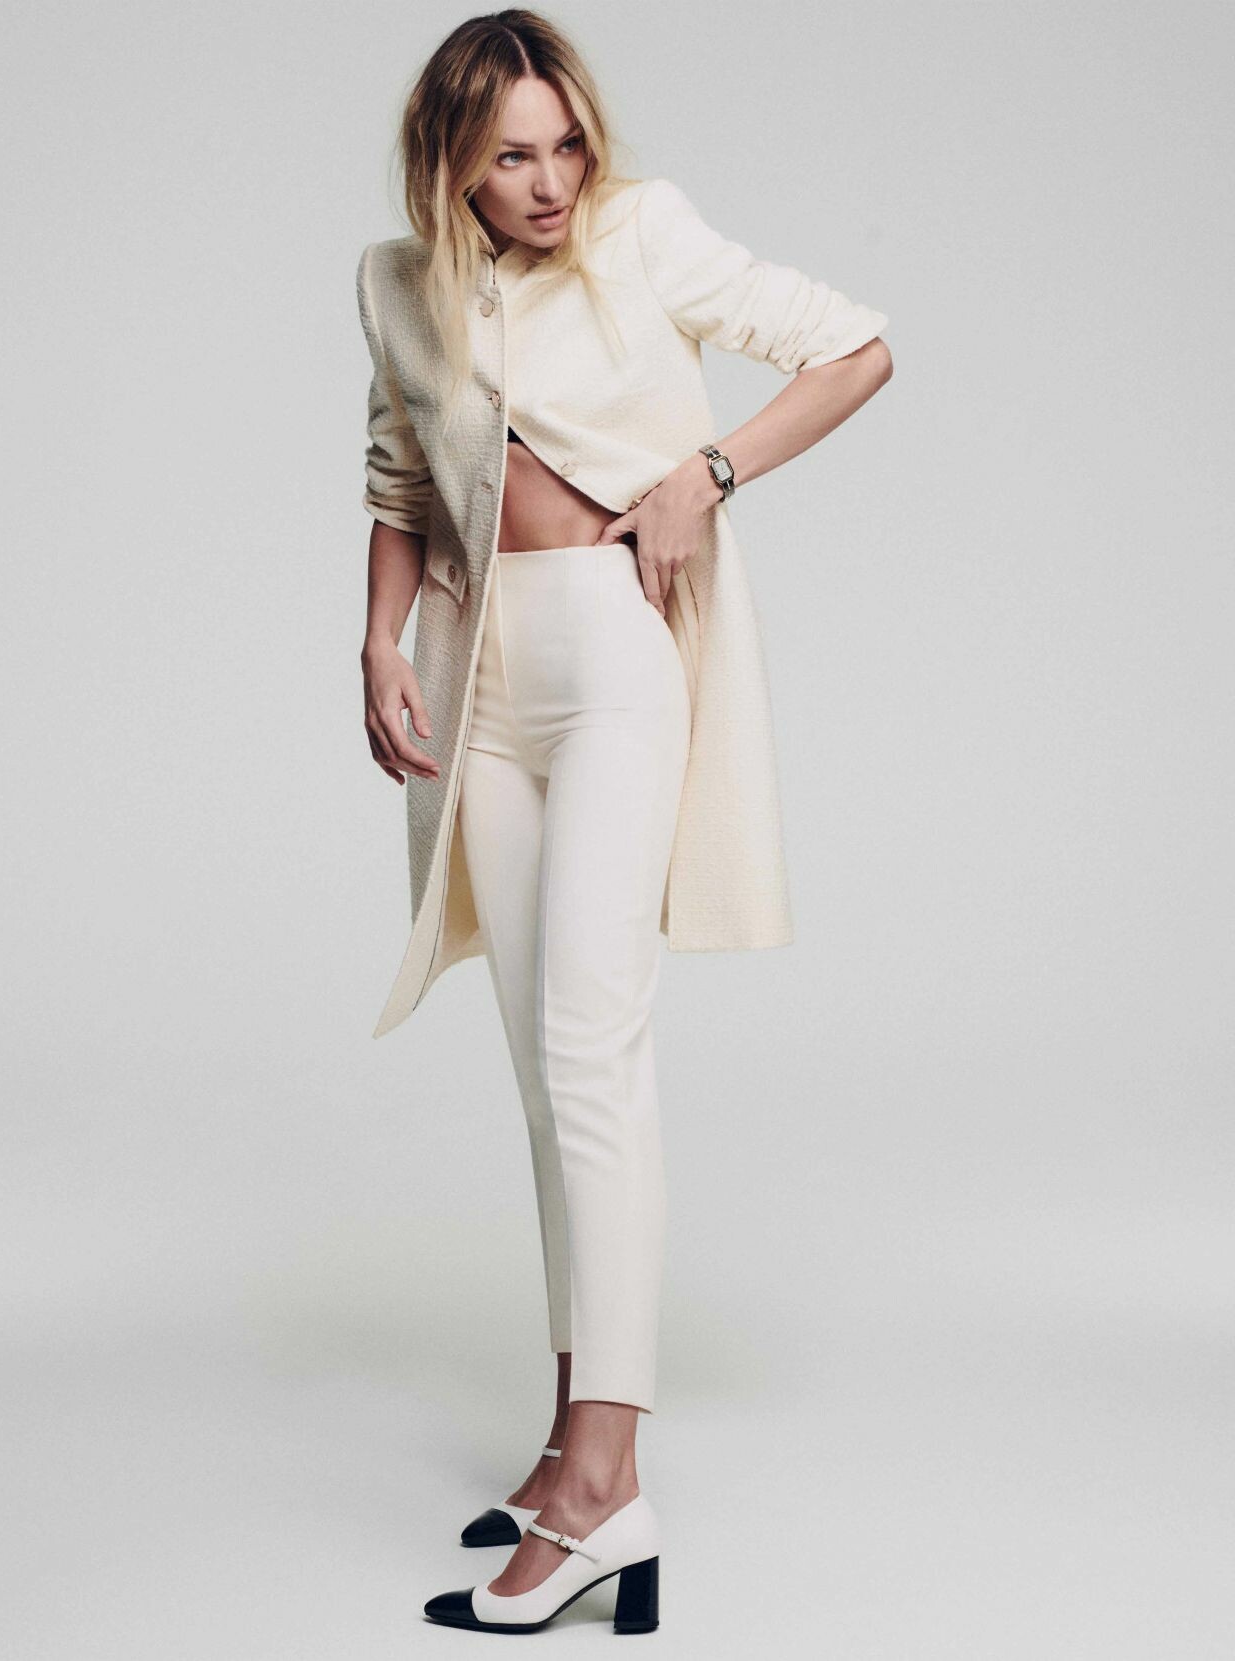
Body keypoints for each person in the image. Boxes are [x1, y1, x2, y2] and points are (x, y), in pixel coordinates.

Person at [355, 8, 893, 1634]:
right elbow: (399, 477)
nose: (549, 181)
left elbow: (855, 344)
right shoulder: (400, 285)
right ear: (451, 167)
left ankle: (607, 1489)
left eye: (566, 144)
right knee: (545, 1069)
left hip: (611, 656)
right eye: (511, 156)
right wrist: (376, 641)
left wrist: (703, 477)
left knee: (596, 1050)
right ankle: (563, 1443)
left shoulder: (641, 233)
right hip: (479, 675)